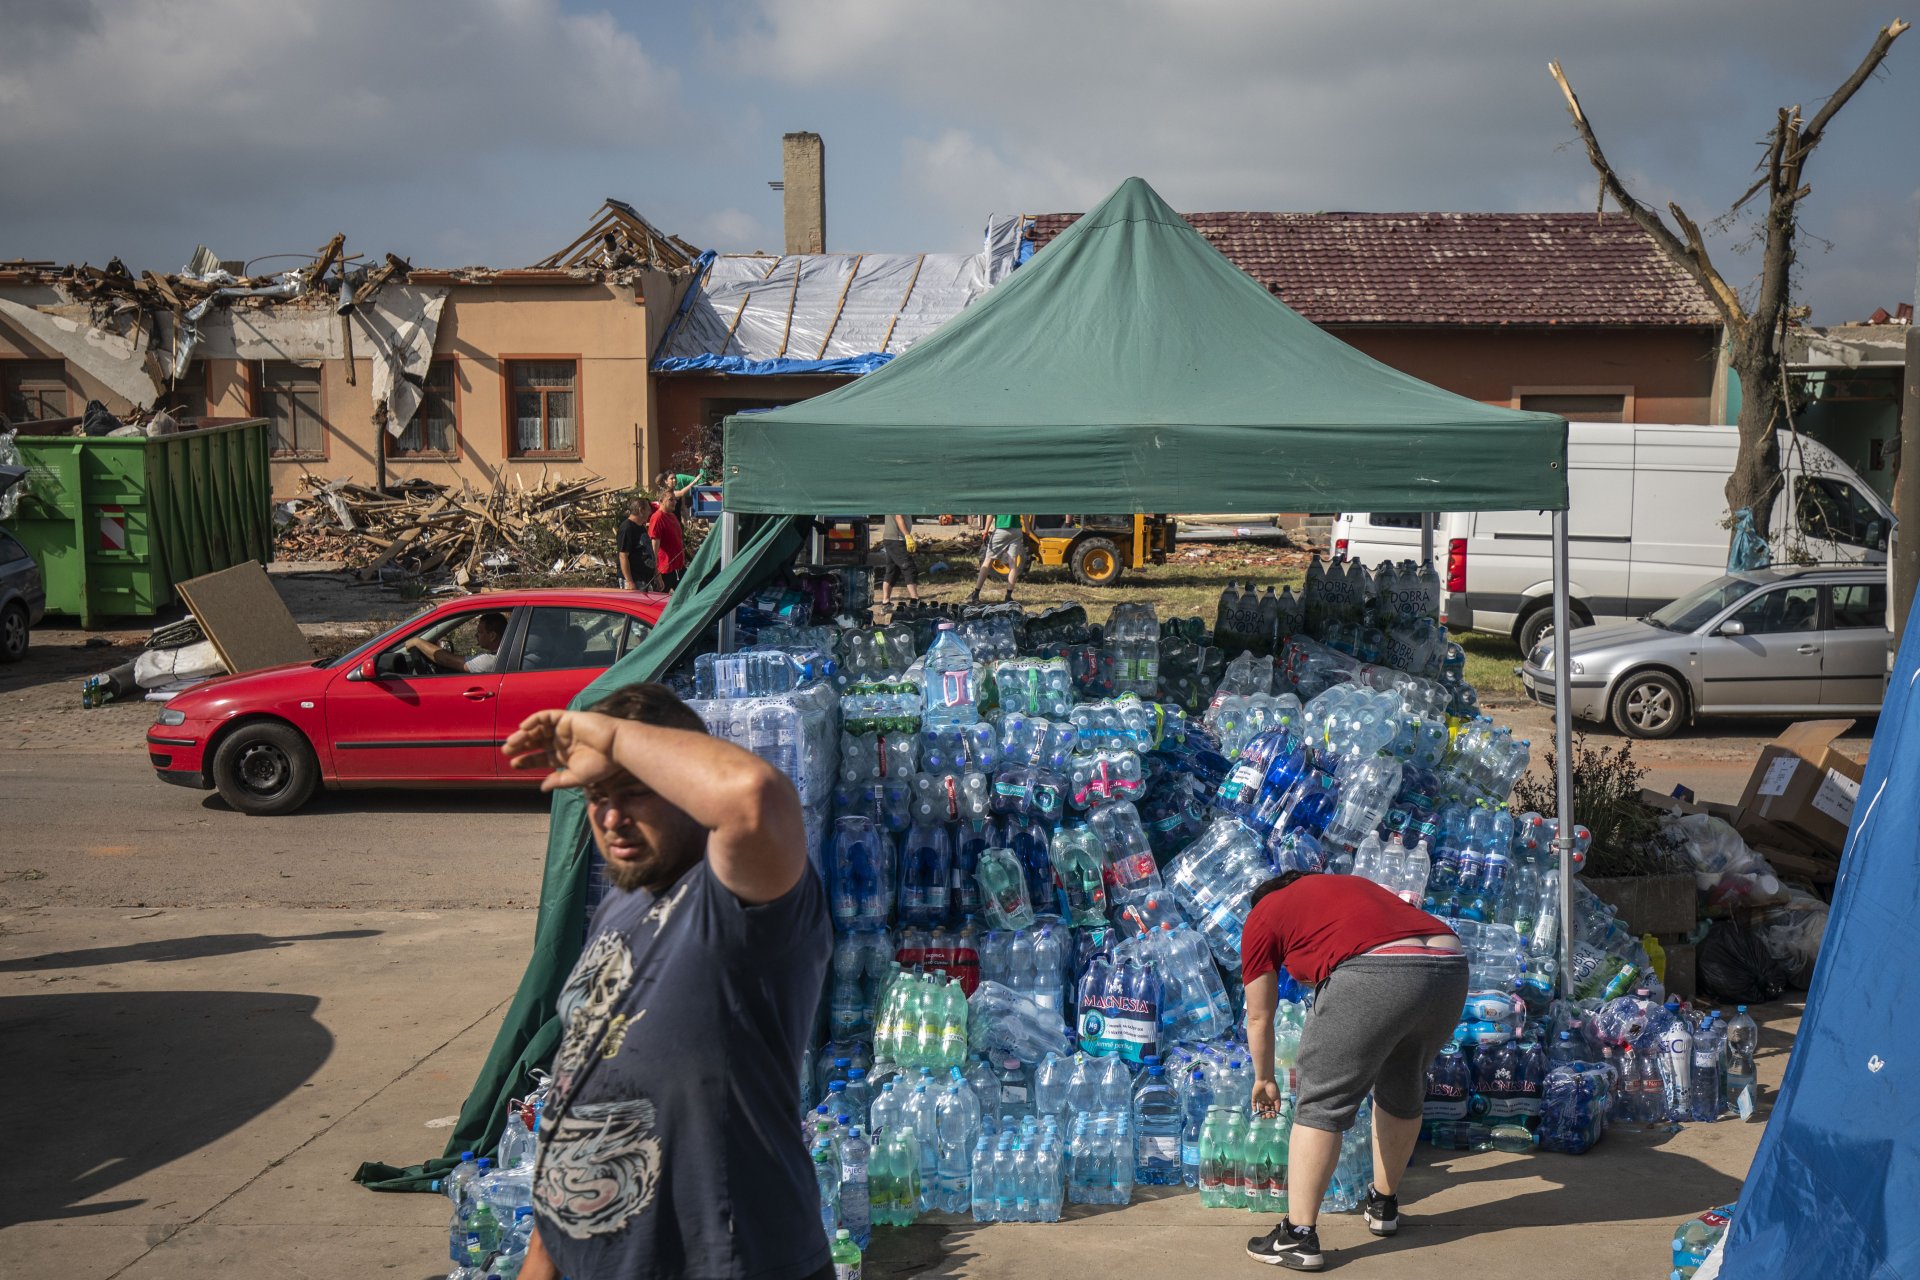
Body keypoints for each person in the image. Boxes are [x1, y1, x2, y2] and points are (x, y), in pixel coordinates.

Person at [503, 684, 832, 1280]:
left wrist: (607, 735)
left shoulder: (737, 905)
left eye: (635, 792)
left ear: (688, 788)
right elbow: (582, 1085)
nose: (610, 817)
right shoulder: (623, 902)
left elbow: (753, 797)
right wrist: (542, 1259)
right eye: (596, 796)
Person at [1239, 871, 1468, 1271]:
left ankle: (1297, 1237)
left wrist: (1264, 1079)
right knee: (1403, 1084)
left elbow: (1259, 1015)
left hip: (1377, 969)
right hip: (1450, 964)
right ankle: (1383, 1205)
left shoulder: (1264, 912)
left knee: (1321, 1102)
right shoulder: (1344, 887)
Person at [406, 610, 507, 673]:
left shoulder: (491, 660)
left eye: (480, 632)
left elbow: (449, 660)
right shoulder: (503, 658)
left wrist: (417, 642)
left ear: (492, 636)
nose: (475, 635)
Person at [967, 513, 1023, 603]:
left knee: (988, 561)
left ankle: (976, 594)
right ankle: (1008, 597)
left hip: (1001, 530)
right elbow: (1026, 514)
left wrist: (985, 531)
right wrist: (1027, 531)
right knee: (1013, 564)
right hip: (1016, 531)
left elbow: (990, 514)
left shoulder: (998, 502)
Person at [617, 499, 660, 591]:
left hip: (645, 579)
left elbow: (649, 552)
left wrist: (657, 575)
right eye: (648, 510)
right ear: (641, 510)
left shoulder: (641, 527)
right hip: (634, 580)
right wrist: (630, 582)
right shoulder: (627, 528)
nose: (650, 513)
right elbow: (623, 556)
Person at [877, 513, 920, 606]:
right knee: (909, 568)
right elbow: (898, 516)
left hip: (892, 539)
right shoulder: (900, 503)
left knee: (892, 571)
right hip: (896, 539)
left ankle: (885, 602)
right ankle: (915, 601)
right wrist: (907, 535)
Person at [646, 494, 687, 591]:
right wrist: (656, 572)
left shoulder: (672, 516)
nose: (675, 502)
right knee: (660, 597)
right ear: (661, 501)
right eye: (671, 500)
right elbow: (654, 549)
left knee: (686, 594)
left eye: (675, 500)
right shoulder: (657, 518)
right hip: (664, 569)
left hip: (678, 568)